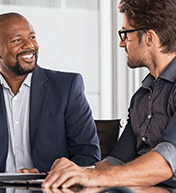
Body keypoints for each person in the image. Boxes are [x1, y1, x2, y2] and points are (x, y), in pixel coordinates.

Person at [42, 0, 176, 188]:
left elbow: (168, 160)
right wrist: (75, 172)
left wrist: (96, 178)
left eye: (125, 34)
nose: (121, 44)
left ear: (150, 37)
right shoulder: (141, 97)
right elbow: (116, 161)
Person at [0, 12, 100, 173]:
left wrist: (48, 175)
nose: (29, 45)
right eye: (17, 40)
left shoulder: (66, 87)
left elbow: (88, 156)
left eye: (32, 37)